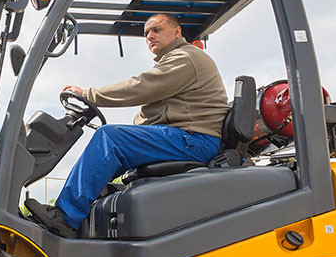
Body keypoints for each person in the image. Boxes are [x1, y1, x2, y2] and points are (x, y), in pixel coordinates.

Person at [25, 12, 229, 238]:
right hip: (184, 137)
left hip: (195, 140)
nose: (150, 36)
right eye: (146, 33)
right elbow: (147, 113)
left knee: (110, 138)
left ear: (177, 31)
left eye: (157, 30)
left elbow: (141, 87)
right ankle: (84, 215)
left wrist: (90, 95)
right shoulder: (175, 61)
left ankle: (65, 217)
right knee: (111, 149)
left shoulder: (185, 57)